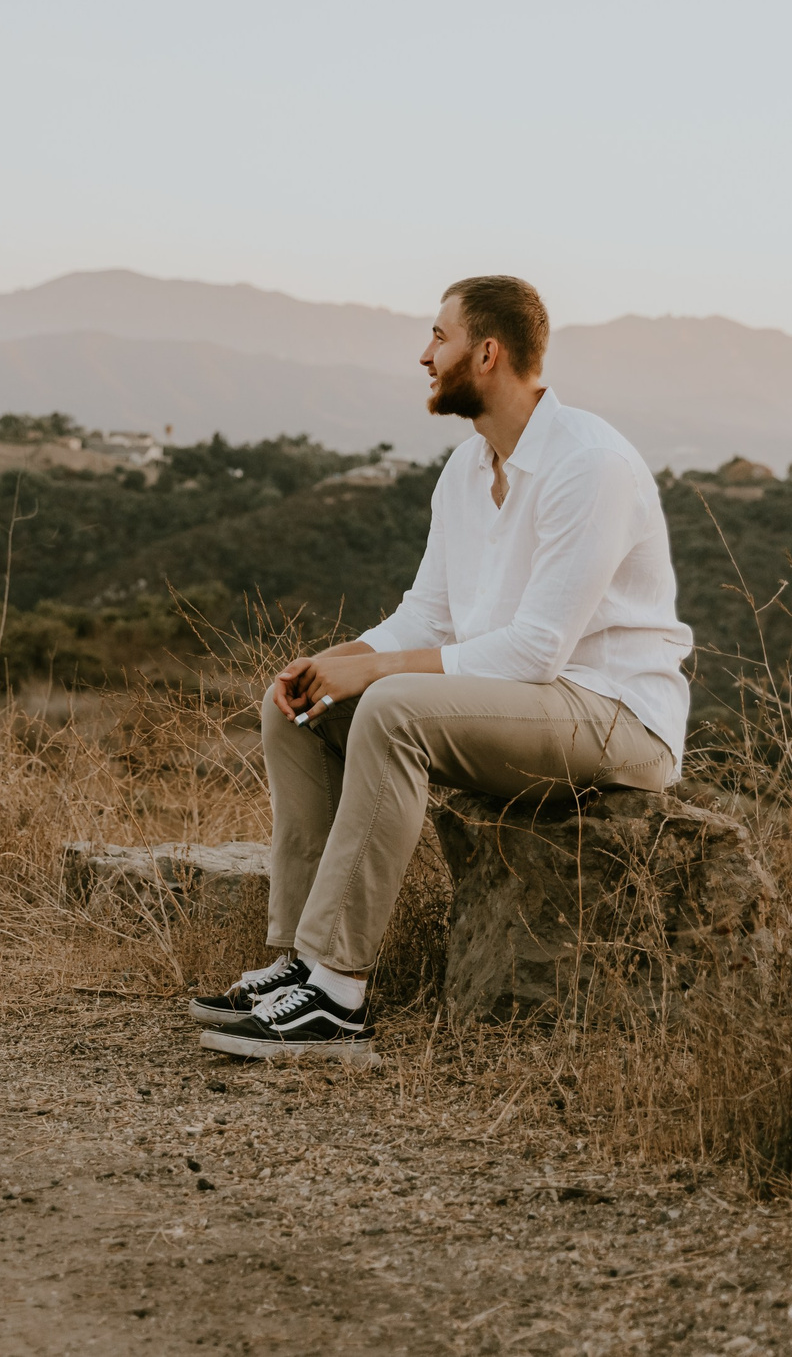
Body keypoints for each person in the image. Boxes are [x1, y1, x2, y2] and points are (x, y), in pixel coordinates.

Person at [193, 275, 692, 1063]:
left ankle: (337, 995)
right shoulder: (467, 468)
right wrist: (338, 662)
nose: (424, 355)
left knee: (393, 710)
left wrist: (381, 676)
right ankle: (300, 958)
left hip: (615, 716)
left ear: (487, 353)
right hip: (525, 704)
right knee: (296, 706)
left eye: (439, 338)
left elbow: (535, 652)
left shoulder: (588, 465)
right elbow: (428, 614)